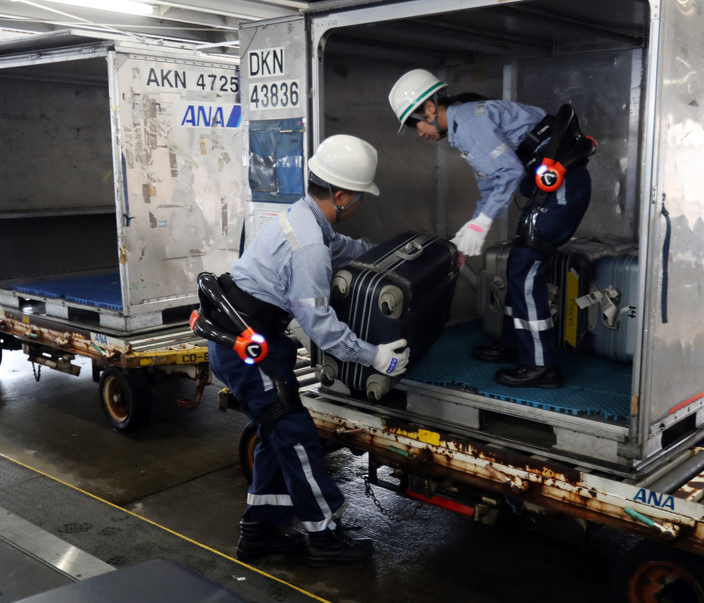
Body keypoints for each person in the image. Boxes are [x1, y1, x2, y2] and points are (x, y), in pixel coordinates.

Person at [207, 135, 410, 566]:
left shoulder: (302, 218)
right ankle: (325, 538)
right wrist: (375, 356)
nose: (358, 203)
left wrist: (394, 252)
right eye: (358, 195)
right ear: (341, 195)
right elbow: (321, 327)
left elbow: (346, 249)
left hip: (247, 340)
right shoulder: (309, 245)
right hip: (248, 350)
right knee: (297, 437)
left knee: (275, 436)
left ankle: (258, 533)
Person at [388, 69, 592, 388]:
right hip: (549, 191)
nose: (419, 133)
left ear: (429, 108)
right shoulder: (463, 128)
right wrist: (471, 231)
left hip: (562, 188)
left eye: (416, 124)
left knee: (525, 268)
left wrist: (481, 224)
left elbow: (509, 173)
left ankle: (542, 365)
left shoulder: (470, 123)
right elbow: (490, 187)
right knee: (516, 265)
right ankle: (516, 345)